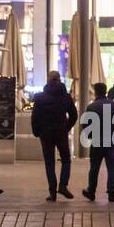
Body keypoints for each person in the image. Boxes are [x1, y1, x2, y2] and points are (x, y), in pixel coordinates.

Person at [31, 69, 77, 201]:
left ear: (48, 80)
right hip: (61, 132)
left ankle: (52, 192)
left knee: (49, 163)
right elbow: (74, 115)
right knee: (66, 159)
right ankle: (63, 185)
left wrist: (37, 131)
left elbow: (35, 117)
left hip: (45, 134)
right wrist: (66, 128)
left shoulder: (40, 97)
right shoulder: (66, 96)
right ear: (59, 80)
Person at [81, 82, 114, 203]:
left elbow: (85, 124)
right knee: (112, 168)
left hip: (97, 141)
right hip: (111, 142)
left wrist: (90, 135)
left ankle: (91, 191)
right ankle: (111, 193)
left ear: (95, 92)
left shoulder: (91, 106)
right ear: (105, 91)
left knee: (94, 167)